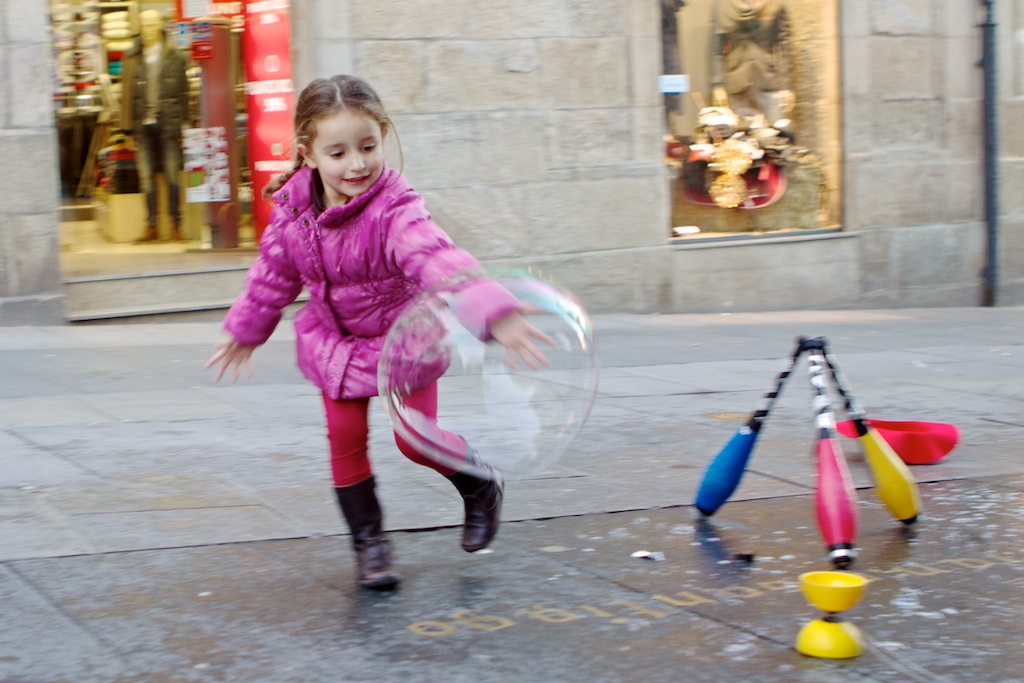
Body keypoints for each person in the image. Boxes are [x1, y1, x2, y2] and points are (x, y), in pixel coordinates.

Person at [205, 74, 552, 592]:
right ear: (308, 153)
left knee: (414, 439)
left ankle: (480, 484)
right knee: (345, 441)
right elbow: (272, 275)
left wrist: (490, 309)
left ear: (383, 136)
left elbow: (436, 255)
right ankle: (370, 545)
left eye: (368, 147)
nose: (357, 164)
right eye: (338, 152)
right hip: (334, 344)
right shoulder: (293, 213)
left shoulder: (395, 206)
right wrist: (246, 329)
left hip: (403, 339)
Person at [126, 9, 188, 242]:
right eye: (143, 25)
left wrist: (184, 124)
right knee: (146, 177)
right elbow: (129, 95)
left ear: (159, 26)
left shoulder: (175, 56)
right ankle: (151, 224)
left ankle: (176, 222)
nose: (147, 30)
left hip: (169, 123)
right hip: (143, 125)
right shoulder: (134, 56)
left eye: (151, 25)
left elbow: (183, 93)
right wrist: (128, 129)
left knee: (173, 175)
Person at [710, 0, 793, 125]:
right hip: (737, 82)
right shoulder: (725, 5)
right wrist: (718, 84)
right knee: (740, 138)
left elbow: (784, 46)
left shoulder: (775, 4)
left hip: (769, 81)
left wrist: (786, 87)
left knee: (777, 136)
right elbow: (717, 46)